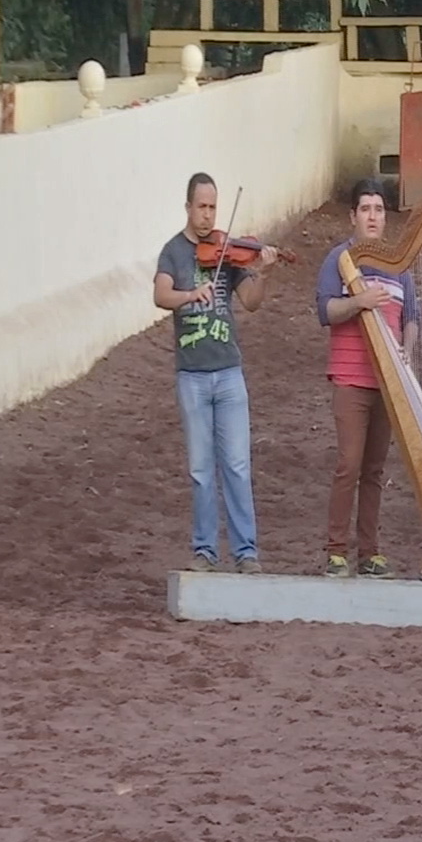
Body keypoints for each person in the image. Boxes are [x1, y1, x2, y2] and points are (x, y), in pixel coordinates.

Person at [153, 171, 281, 573]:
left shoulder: (228, 252)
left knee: (238, 465)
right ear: (188, 207)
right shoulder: (173, 252)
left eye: (213, 207)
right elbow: (160, 295)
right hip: (192, 374)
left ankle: (246, 553)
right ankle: (205, 551)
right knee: (200, 469)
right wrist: (191, 293)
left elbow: (252, 302)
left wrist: (264, 272)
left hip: (229, 372)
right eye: (201, 207)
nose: (208, 216)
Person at [314, 177, 419, 579]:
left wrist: (407, 349)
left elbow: (412, 318)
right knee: (349, 463)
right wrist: (360, 301)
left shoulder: (399, 266)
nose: (373, 217)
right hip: (350, 377)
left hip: (387, 381)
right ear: (352, 217)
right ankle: (336, 551)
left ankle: (370, 553)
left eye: (378, 210)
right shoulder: (339, 259)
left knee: (374, 469)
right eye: (366, 210)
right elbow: (326, 311)